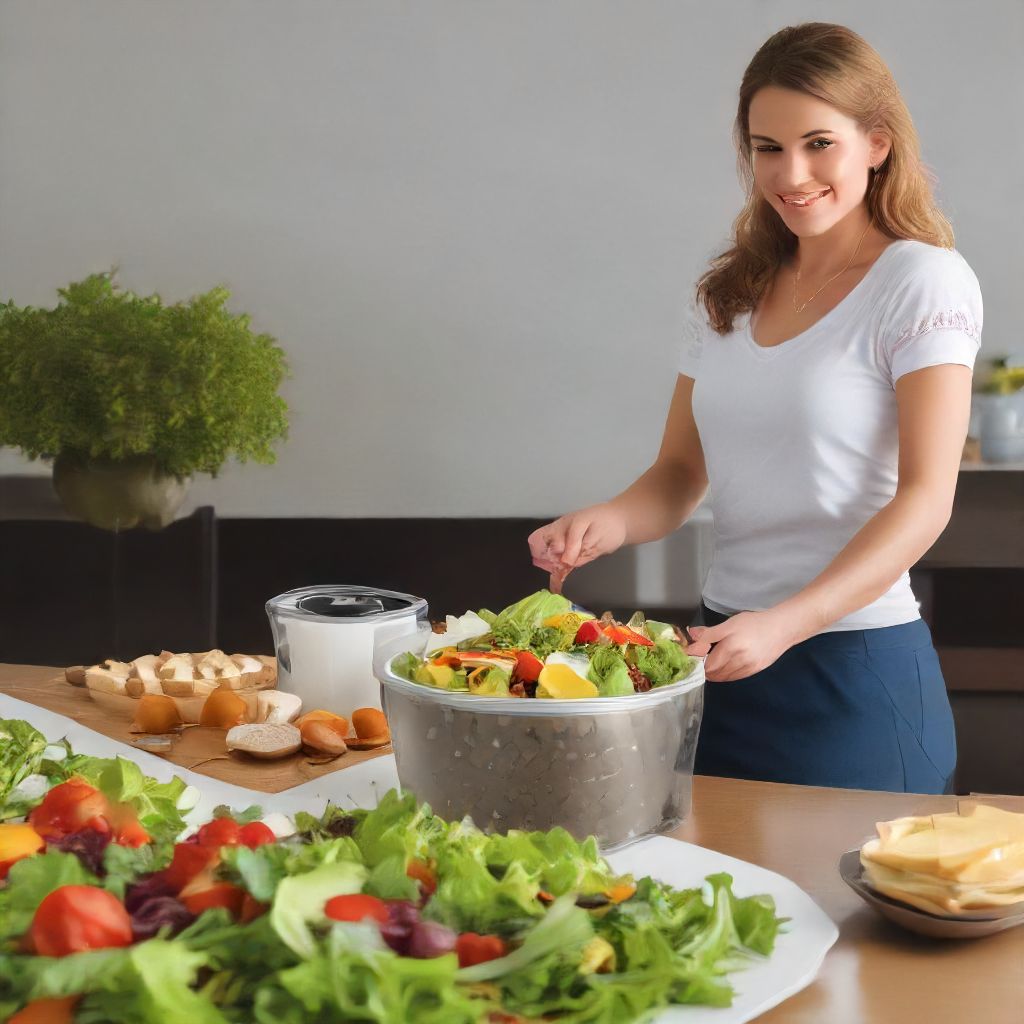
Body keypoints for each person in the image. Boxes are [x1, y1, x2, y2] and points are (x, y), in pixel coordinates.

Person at [527, 22, 983, 794]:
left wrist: (787, 622)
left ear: (876, 143)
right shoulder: (728, 293)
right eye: (768, 148)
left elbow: (926, 500)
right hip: (724, 664)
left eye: (818, 144)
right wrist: (607, 521)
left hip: (853, 676)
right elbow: (679, 472)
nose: (792, 173)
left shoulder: (922, 281)